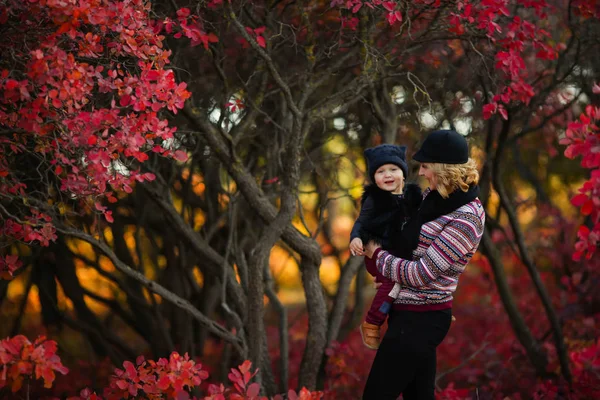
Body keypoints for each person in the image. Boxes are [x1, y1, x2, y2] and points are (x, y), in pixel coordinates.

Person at [359, 130, 486, 400]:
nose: (423, 172)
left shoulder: (467, 217)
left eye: (426, 166)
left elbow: (421, 273)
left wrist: (379, 256)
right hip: (405, 312)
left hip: (422, 319)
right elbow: (408, 243)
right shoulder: (434, 198)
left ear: (442, 168)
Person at [349, 144, 422, 349]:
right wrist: (355, 238)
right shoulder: (375, 199)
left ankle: (429, 310)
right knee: (394, 284)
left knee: (418, 273)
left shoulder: (413, 197)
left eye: (393, 169)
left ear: (404, 174)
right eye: (380, 171)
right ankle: (372, 321)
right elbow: (361, 222)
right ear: (374, 178)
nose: (387, 175)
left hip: (400, 252)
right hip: (377, 251)